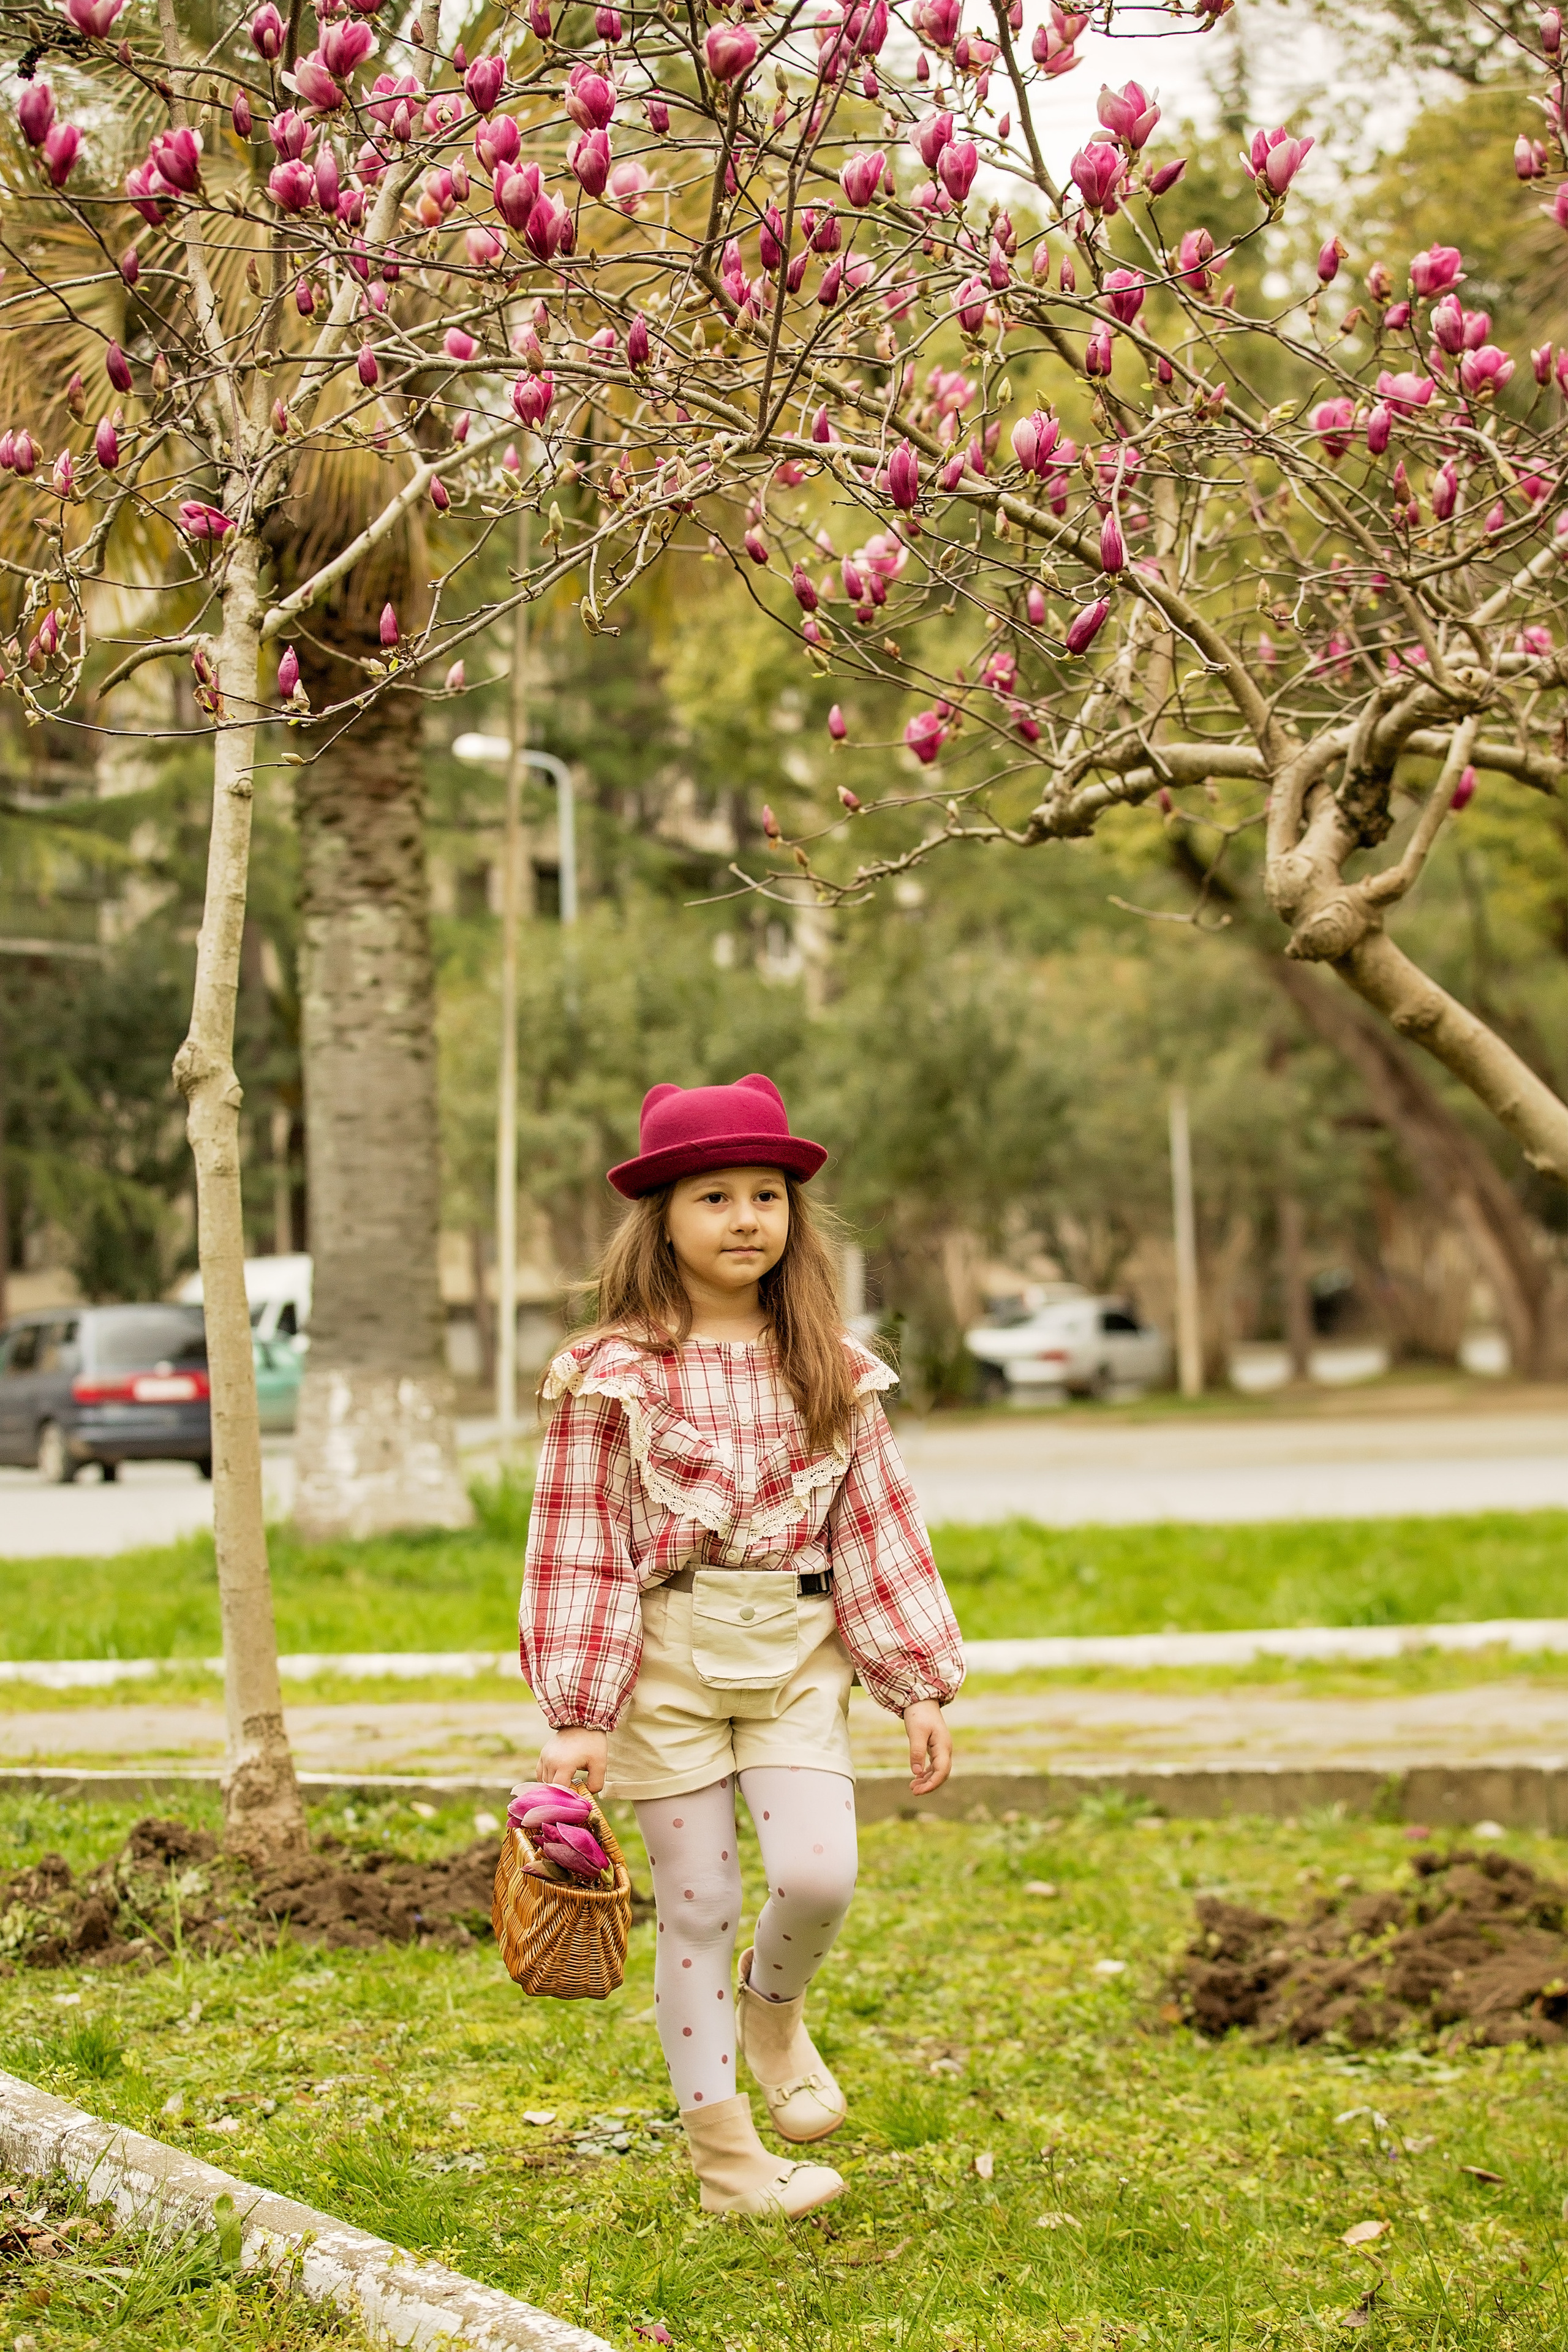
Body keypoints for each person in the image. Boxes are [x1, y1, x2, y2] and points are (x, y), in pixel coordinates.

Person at [519, 1073, 965, 2218]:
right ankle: (727, 2163)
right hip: (664, 1659)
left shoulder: (833, 1366)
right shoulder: (612, 1374)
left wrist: (916, 1681)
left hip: (796, 1654)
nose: (744, 1218)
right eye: (713, 1197)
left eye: (765, 1195)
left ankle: (775, 2016)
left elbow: (878, 1527)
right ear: (662, 1218)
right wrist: (579, 1711)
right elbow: (578, 1543)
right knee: (701, 1901)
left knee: (818, 1875)